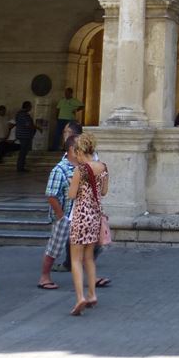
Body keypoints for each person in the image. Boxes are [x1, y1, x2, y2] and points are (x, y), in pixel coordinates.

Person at [67, 133, 108, 316]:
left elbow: (71, 195)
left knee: (76, 259)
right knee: (89, 258)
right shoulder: (103, 167)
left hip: (80, 216)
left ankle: (80, 297)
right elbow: (104, 191)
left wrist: (72, 183)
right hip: (95, 216)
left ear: (80, 151)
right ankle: (92, 294)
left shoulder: (80, 170)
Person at [37, 136, 77, 290]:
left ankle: (92, 276)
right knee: (55, 246)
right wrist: (61, 216)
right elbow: (51, 195)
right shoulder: (59, 170)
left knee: (87, 246)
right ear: (72, 149)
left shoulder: (82, 167)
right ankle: (44, 276)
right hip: (65, 215)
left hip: (79, 215)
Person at [13, 100, 37, 172]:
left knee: (24, 151)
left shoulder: (21, 114)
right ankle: (20, 167)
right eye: (30, 106)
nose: (31, 108)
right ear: (27, 106)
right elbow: (28, 124)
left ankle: (21, 165)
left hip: (24, 135)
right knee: (23, 152)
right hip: (24, 135)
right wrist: (36, 127)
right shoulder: (23, 115)